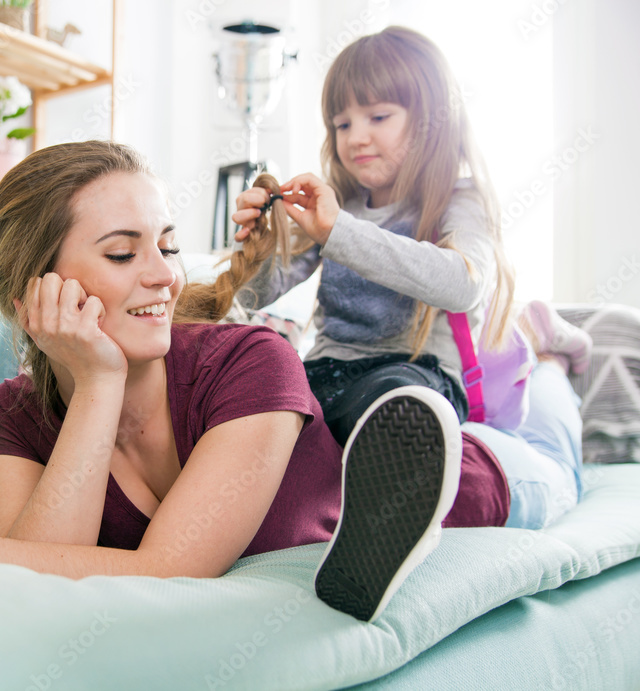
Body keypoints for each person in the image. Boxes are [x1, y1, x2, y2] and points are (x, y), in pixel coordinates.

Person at [0, 140, 476, 623]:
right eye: (123, 252)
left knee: (550, 452)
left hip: (475, 477)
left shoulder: (252, 359)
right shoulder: (10, 415)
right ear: (33, 292)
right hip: (66, 389)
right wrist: (97, 382)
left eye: (164, 244)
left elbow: (170, 570)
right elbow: (27, 571)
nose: (166, 273)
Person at [229, 25, 587, 529]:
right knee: (277, 395)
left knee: (393, 401)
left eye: (378, 116)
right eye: (342, 123)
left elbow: (463, 284)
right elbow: (251, 297)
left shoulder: (457, 200)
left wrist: (340, 232)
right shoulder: (338, 206)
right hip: (330, 374)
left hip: (414, 375)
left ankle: (392, 512)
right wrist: (258, 247)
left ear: (431, 121)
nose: (356, 137)